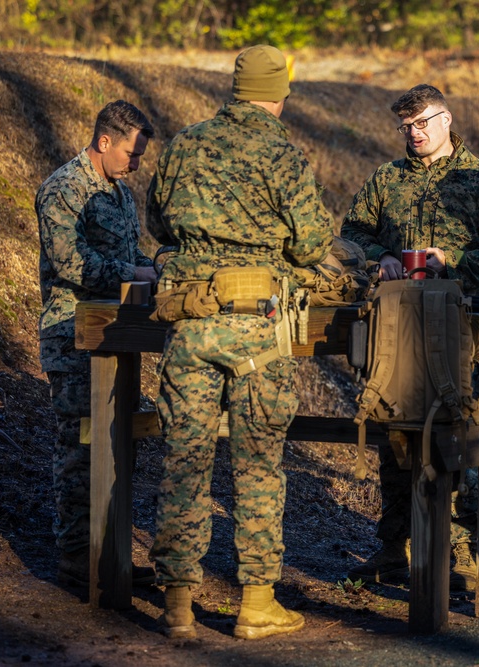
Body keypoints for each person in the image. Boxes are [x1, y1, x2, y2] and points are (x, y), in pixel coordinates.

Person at [145, 44, 334, 640]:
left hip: (192, 322)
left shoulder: (182, 144)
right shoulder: (283, 153)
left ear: (234, 87)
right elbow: (309, 244)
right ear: (281, 92)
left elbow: (157, 222)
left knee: (184, 461)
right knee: (258, 468)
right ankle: (256, 604)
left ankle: (177, 604)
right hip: (258, 332)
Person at [341, 83, 479, 592]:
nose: (414, 134)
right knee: (394, 431)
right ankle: (395, 544)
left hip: (461, 326)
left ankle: (462, 549)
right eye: (406, 127)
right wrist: (378, 254)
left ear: (446, 120)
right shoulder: (387, 179)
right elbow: (351, 232)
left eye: (422, 123)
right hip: (397, 324)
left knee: (457, 430)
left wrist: (458, 261)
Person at [36, 99, 158, 589]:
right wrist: (136, 272)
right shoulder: (63, 189)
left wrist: (158, 263)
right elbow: (72, 263)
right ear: (104, 142)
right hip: (73, 337)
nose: (135, 165)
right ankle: (76, 559)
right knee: (80, 448)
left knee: (119, 443)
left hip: (118, 334)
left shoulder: (118, 191)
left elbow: (128, 253)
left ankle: (112, 556)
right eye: (131, 154)